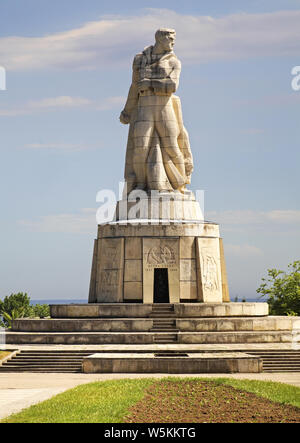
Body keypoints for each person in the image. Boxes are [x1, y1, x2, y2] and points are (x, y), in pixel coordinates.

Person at [120, 28, 193, 194]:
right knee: (140, 147)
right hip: (144, 106)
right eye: (170, 39)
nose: (173, 42)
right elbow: (134, 86)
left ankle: (180, 184)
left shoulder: (174, 62)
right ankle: (139, 184)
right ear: (160, 39)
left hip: (164, 106)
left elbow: (173, 86)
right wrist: (127, 110)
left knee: (172, 146)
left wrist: (150, 84)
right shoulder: (139, 60)